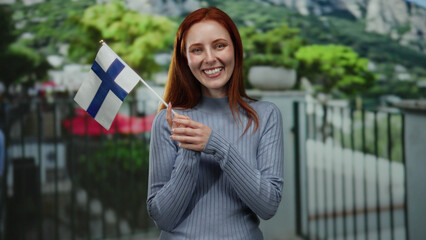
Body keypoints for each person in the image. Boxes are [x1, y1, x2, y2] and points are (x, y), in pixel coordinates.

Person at [147, 7, 284, 239]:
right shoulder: (167, 121)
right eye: (197, 50)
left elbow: (268, 206)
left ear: (236, 50)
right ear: (185, 59)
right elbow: (163, 217)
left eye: (219, 45)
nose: (210, 58)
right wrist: (189, 149)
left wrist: (218, 145)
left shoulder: (266, 116)